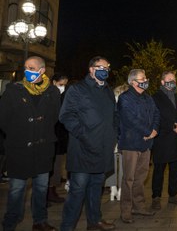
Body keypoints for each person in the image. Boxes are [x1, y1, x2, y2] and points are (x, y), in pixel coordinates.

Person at [0, 56, 60, 231]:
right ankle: (10, 223)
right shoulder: (13, 90)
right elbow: (3, 119)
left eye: (32, 68)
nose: (28, 71)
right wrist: (21, 133)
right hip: (19, 148)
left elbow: (54, 117)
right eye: (26, 67)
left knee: (41, 188)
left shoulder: (53, 92)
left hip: (43, 148)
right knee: (16, 190)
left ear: (42, 71)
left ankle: (39, 221)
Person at [60, 56, 117, 231]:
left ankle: (95, 221)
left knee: (96, 189)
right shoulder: (77, 89)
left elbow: (113, 116)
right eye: (101, 67)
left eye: (107, 68)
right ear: (91, 69)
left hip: (103, 149)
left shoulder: (107, 90)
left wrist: (113, 135)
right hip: (83, 149)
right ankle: (68, 226)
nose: (105, 71)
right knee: (77, 192)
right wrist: (84, 135)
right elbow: (66, 116)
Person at [118, 69, 160, 223]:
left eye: (145, 77)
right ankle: (126, 211)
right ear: (133, 82)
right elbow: (130, 119)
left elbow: (156, 114)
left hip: (146, 143)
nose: (145, 80)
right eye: (142, 78)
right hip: (131, 143)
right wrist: (149, 131)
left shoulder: (148, 98)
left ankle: (139, 206)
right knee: (129, 178)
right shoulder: (125, 98)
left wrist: (154, 130)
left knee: (141, 177)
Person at [151, 71, 177, 210]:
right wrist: (173, 126)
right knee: (159, 170)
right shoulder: (155, 97)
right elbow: (155, 118)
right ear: (162, 82)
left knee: (175, 170)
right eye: (168, 80)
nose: (171, 82)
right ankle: (156, 197)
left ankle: (173, 195)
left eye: (173, 80)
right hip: (162, 139)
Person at [105, 84, 129, 202]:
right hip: (119, 136)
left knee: (115, 163)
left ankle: (115, 189)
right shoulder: (125, 102)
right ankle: (116, 189)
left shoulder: (112, 102)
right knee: (119, 164)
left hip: (116, 136)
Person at [47, 73, 69, 204]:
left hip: (60, 139)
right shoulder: (49, 96)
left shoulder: (63, 97)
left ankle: (52, 190)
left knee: (58, 167)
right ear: (54, 82)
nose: (63, 87)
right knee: (51, 167)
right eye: (61, 84)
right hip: (52, 138)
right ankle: (48, 193)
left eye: (65, 85)